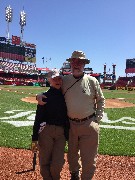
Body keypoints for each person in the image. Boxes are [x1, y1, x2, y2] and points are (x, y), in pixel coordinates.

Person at [36, 50, 105, 180]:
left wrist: (98, 118)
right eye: (74, 62)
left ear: (84, 64)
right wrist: (39, 95)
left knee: (89, 158)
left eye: (80, 62)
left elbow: (101, 100)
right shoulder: (65, 80)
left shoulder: (92, 81)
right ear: (71, 64)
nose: (77, 64)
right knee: (72, 155)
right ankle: (74, 174)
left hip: (89, 124)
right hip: (71, 125)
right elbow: (52, 89)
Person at [31, 70, 69, 180]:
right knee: (44, 162)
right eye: (54, 78)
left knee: (57, 164)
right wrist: (34, 139)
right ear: (49, 80)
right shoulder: (44, 97)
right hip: (45, 132)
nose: (57, 81)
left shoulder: (66, 96)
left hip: (61, 133)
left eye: (59, 78)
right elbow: (38, 118)